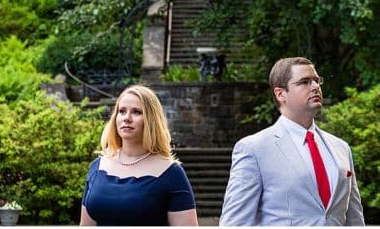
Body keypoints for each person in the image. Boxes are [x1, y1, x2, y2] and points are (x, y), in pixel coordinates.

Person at [219, 57, 365, 226]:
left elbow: (354, 219)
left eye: (317, 81)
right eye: (304, 82)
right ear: (280, 94)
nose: (315, 87)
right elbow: (235, 224)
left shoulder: (341, 148)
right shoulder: (254, 149)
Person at [80, 84, 198, 226]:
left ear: (151, 120)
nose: (127, 118)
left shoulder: (171, 173)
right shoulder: (97, 167)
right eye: (122, 111)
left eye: (136, 112)